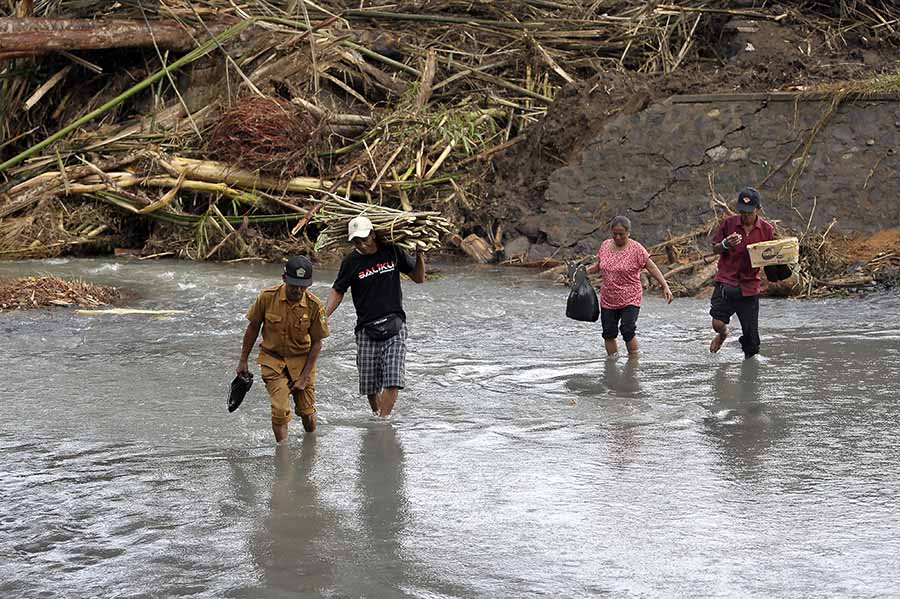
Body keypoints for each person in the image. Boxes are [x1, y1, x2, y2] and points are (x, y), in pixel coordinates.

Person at [325, 215, 426, 417]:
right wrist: (324, 315)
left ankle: (383, 421)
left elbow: (418, 278)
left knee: (393, 379)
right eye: (356, 242)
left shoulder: (393, 251)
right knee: (370, 386)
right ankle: (378, 415)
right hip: (366, 329)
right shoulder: (351, 262)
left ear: (372, 234)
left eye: (364, 239)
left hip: (395, 324)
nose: (362, 245)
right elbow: (338, 290)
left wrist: (420, 255)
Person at [236, 256, 329, 442]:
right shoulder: (267, 297)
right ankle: (282, 453)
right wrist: (243, 360)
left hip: (302, 362)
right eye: (294, 285)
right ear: (284, 278)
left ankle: (310, 445)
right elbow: (253, 328)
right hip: (272, 360)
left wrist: (304, 378)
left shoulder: (314, 305)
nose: (298, 290)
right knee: (279, 410)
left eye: (303, 286)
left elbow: (317, 343)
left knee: (307, 412)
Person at [587, 215, 673, 357]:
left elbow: (651, 267)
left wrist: (665, 286)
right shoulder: (605, 246)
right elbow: (599, 265)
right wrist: (586, 272)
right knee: (608, 333)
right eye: (615, 234)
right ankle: (612, 363)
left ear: (628, 233)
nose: (618, 237)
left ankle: (633, 362)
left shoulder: (637, 249)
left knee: (627, 330)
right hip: (608, 298)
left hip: (630, 297)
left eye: (621, 234)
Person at [709, 187, 774, 358]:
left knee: (752, 344)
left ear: (758, 209)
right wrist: (725, 244)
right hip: (726, 281)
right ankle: (723, 334)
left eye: (749, 212)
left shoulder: (767, 230)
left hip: (749, 286)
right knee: (717, 323)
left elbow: (771, 256)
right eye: (742, 212)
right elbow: (715, 248)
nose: (745, 216)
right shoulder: (729, 224)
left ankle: (749, 370)